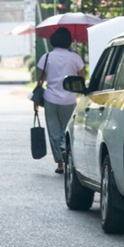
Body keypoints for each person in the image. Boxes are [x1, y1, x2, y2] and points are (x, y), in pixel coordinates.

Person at [33, 27, 86, 174]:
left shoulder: (47, 57)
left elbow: (40, 79)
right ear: (68, 41)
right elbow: (82, 76)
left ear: (54, 40)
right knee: (68, 130)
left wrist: (35, 101)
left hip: (50, 99)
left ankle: (60, 163)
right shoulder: (74, 57)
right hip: (69, 99)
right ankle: (66, 152)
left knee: (54, 131)